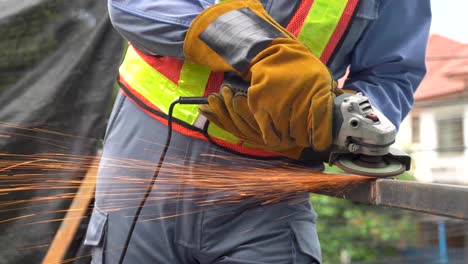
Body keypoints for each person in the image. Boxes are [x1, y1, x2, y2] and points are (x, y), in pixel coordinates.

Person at [84, 0, 431, 263]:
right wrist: (257, 49)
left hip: (273, 188)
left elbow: (391, 75)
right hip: (150, 158)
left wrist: (337, 122)